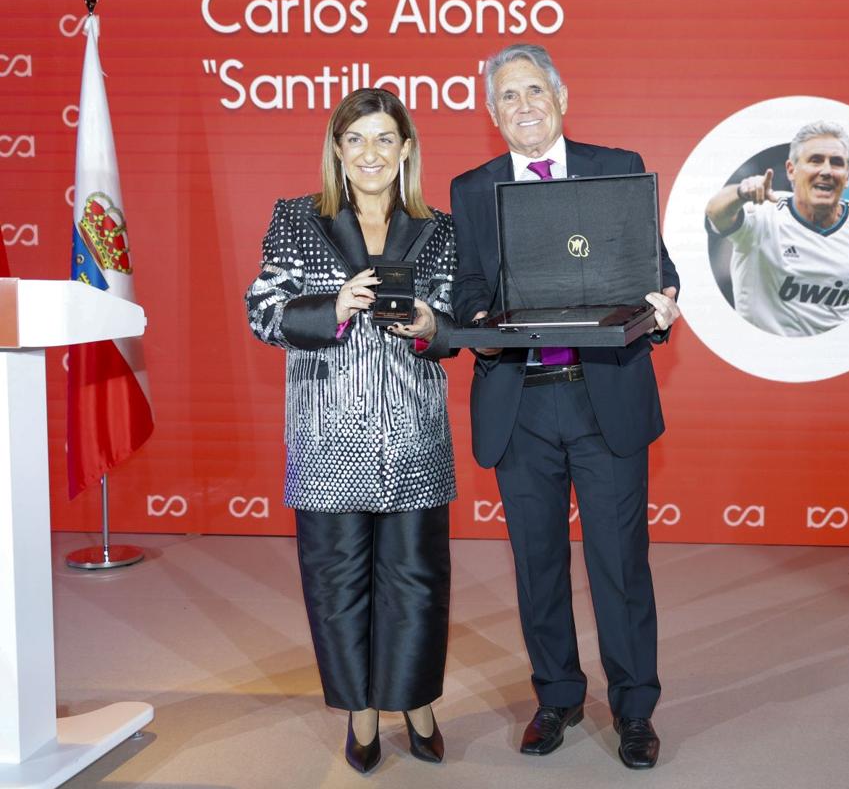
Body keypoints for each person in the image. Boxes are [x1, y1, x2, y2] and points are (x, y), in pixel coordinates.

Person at [450, 43, 680, 770]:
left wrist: (665, 304)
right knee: (537, 565)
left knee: (620, 565)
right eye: (507, 97)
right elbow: (465, 293)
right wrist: (480, 332)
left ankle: (635, 709)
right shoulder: (471, 188)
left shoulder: (615, 167)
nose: (523, 107)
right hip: (520, 407)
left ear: (561, 98)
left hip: (602, 397)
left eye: (534, 92)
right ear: (492, 115)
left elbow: (658, 271)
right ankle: (556, 697)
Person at [245, 88, 456, 774]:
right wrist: (329, 307)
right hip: (326, 437)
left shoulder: (440, 229)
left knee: (417, 582)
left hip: (413, 437)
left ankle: (416, 701)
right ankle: (363, 712)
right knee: (338, 585)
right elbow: (264, 313)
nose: (371, 154)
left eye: (384, 140)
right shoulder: (297, 219)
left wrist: (431, 328)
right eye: (357, 139)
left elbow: (456, 319)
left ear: (405, 151)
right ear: (338, 149)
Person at [705, 121, 849, 336]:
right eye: (815, 161)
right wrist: (740, 192)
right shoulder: (763, 214)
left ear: (848, 176)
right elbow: (715, 213)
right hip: (764, 360)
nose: (826, 171)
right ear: (791, 171)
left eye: (837, 163)